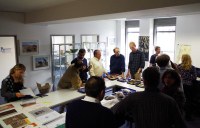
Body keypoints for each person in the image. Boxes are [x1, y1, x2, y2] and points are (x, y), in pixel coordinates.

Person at [112, 67, 186, 128]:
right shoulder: (170, 101)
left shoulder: (133, 97)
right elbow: (180, 123)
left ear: (143, 81)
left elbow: (115, 110)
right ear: (159, 80)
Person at [177, 54, 197, 120]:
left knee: (181, 100)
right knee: (189, 100)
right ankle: (188, 116)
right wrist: (188, 77)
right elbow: (194, 77)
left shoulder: (179, 66)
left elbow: (177, 76)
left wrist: (183, 77)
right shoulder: (192, 67)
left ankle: (179, 115)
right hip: (188, 86)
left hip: (180, 85)